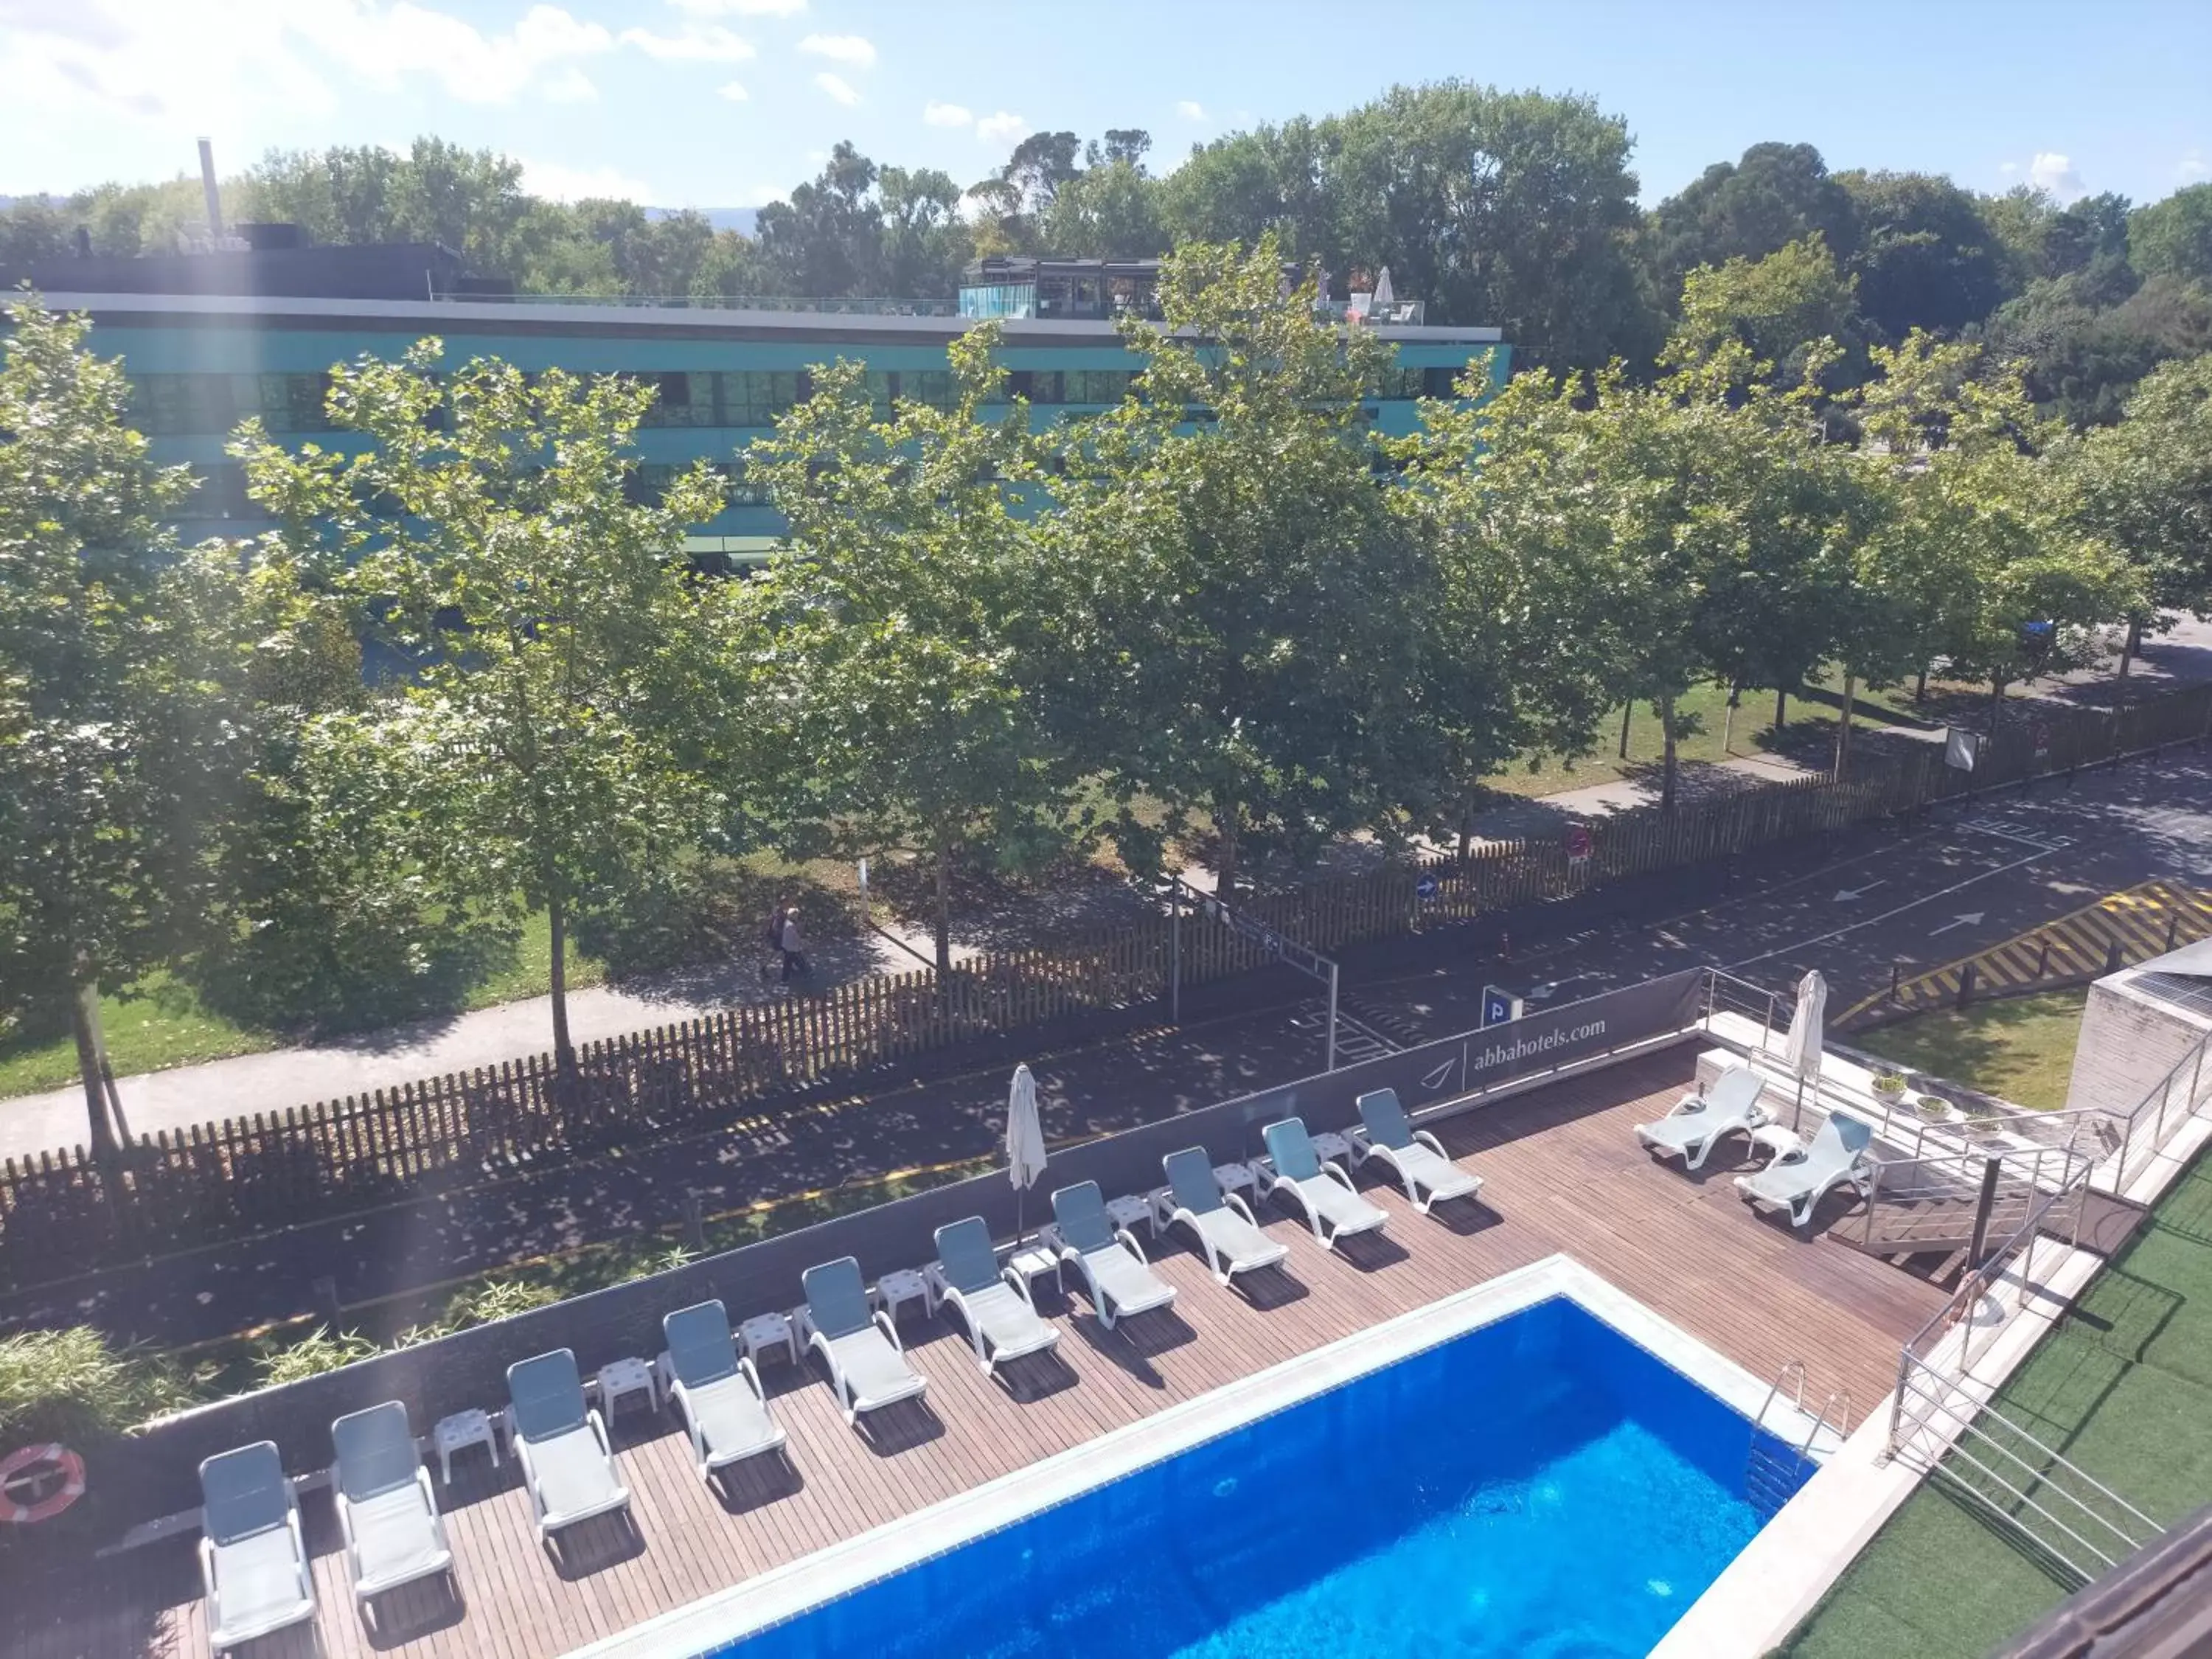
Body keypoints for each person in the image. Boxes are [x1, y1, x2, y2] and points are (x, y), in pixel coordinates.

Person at [779, 910, 810, 982]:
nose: (797, 916)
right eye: (796, 915)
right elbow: (796, 937)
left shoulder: (786, 922)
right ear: (792, 915)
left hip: (787, 946)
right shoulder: (791, 926)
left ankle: (785, 979)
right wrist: (804, 944)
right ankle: (807, 974)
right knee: (798, 962)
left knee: (788, 963)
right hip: (792, 948)